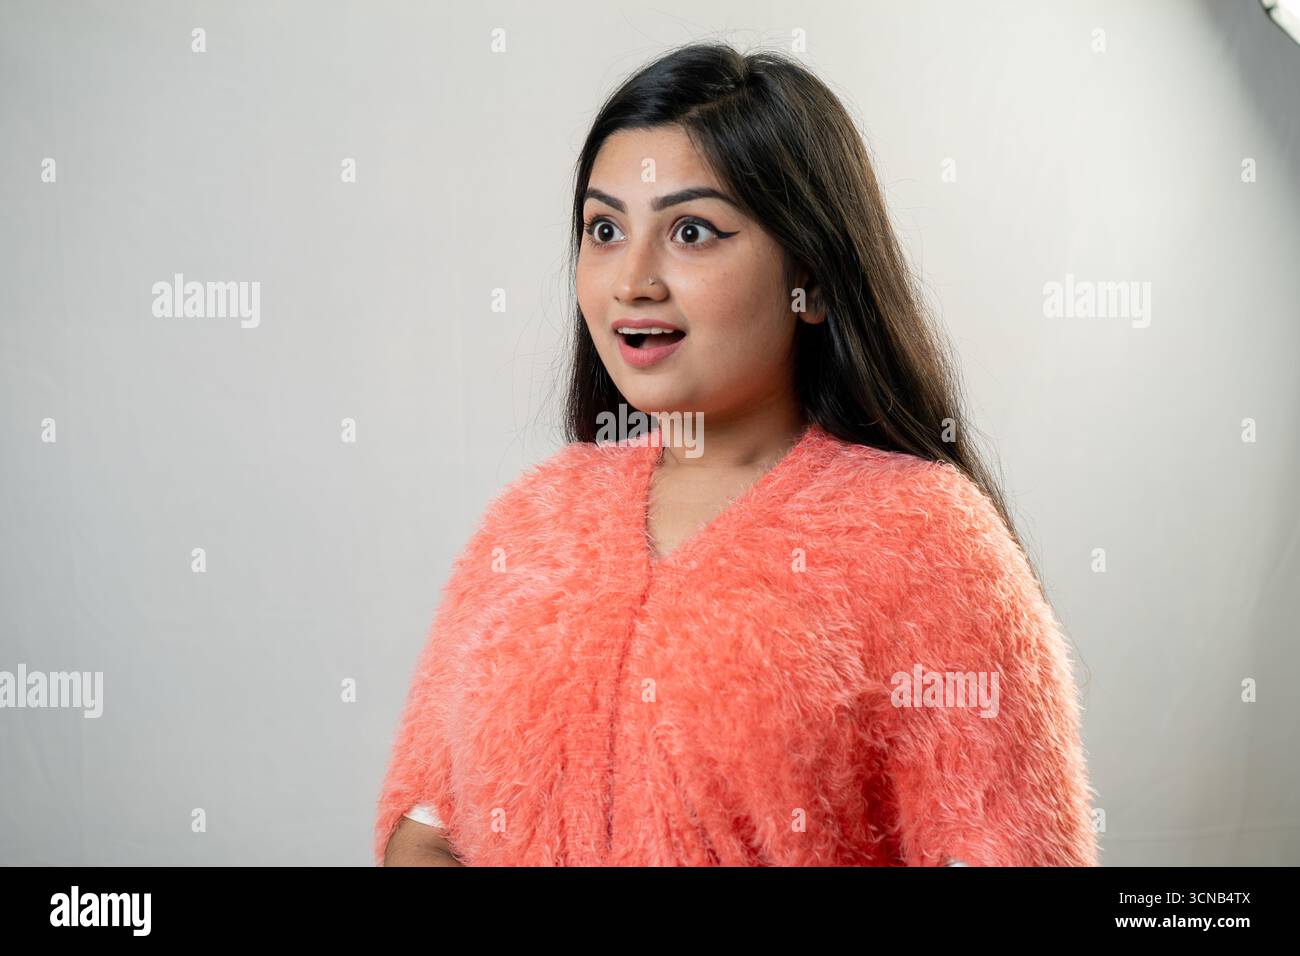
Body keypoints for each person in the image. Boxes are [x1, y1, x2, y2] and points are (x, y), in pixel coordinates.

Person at [376, 41, 1099, 867]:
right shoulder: (531, 522)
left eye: (691, 231)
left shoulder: (925, 542)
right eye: (604, 229)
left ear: (814, 280)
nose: (632, 281)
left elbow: (1011, 851)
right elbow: (424, 823)